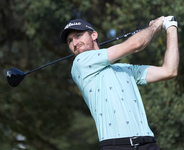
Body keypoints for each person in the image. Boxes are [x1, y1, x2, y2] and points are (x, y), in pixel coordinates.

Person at [60, 16, 179, 150]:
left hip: (148, 144)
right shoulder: (80, 64)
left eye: (79, 35)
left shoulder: (125, 69)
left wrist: (171, 27)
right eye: (70, 41)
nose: (75, 43)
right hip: (115, 145)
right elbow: (135, 45)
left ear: (94, 35)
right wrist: (155, 25)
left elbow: (169, 71)